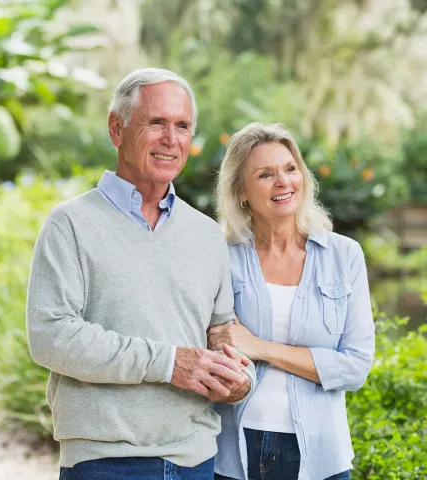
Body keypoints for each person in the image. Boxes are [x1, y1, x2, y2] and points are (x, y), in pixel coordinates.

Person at [26, 68, 255, 480]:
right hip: (103, 462)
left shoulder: (206, 233)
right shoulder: (70, 224)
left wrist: (240, 379)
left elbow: (221, 331)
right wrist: (169, 363)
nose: (171, 139)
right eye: (156, 123)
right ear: (117, 128)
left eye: (182, 126)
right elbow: (51, 336)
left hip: (195, 461)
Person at [208, 123, 375, 480]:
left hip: (321, 456)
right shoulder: (218, 257)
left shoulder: (343, 255)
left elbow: (355, 367)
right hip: (234, 453)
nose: (283, 182)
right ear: (241, 192)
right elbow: (212, 349)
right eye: (266, 174)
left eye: (290, 168)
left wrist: (260, 347)